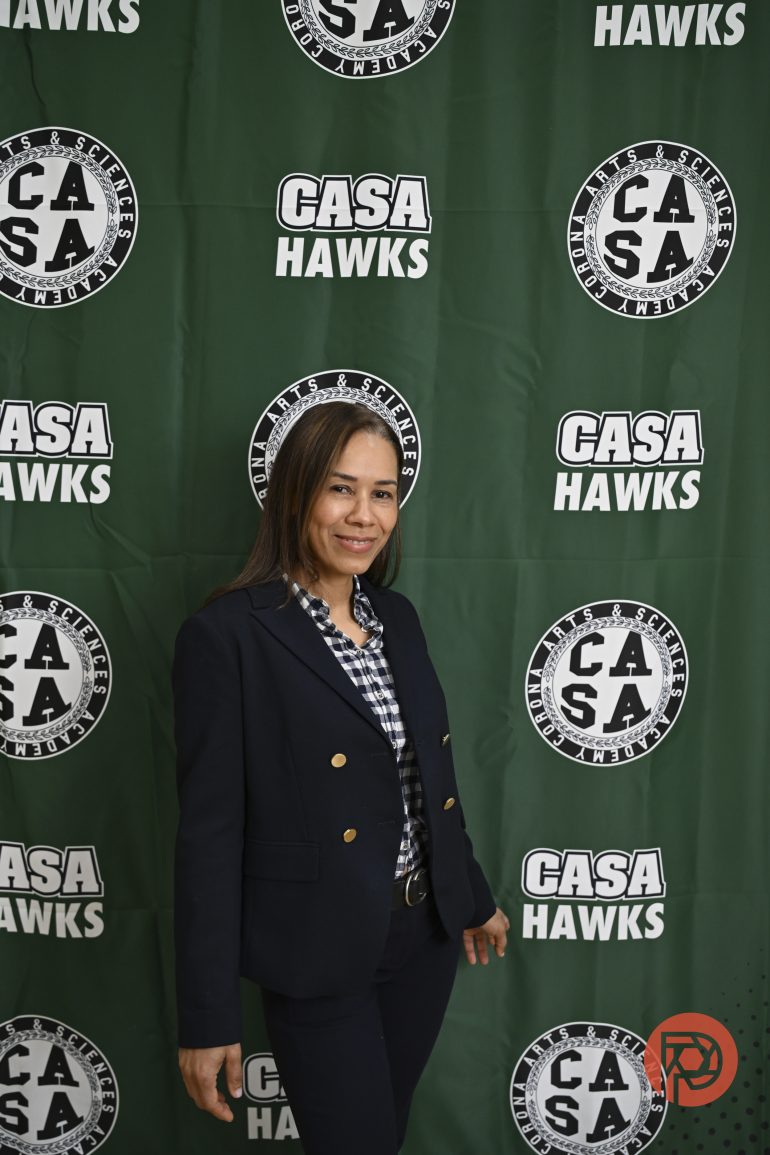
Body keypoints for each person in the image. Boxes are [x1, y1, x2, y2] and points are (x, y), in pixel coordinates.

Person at [173, 401, 509, 1154]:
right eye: (341, 489)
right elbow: (208, 836)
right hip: (318, 947)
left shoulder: (400, 616)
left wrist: (470, 893)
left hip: (423, 939)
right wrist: (207, 1016)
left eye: (383, 492)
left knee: (381, 1139)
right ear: (294, 495)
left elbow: (429, 780)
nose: (364, 515)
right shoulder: (227, 636)